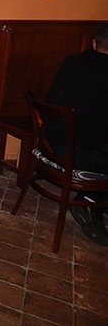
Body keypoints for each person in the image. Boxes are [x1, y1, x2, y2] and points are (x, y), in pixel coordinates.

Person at [46, 22, 108, 245]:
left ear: (94, 43)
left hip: (51, 141)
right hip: (81, 153)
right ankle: (91, 199)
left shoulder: (72, 62)